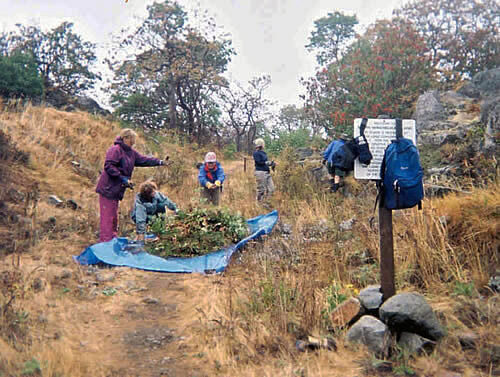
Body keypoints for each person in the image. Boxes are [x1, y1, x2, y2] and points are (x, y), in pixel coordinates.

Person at [95, 128, 168, 242]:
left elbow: (144, 160)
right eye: (132, 139)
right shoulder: (115, 150)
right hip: (107, 189)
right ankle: (106, 245)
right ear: (125, 138)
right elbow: (109, 166)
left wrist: (160, 162)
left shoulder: (130, 152)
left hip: (116, 191)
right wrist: (123, 178)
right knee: (108, 218)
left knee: (114, 218)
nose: (133, 142)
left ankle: (112, 241)